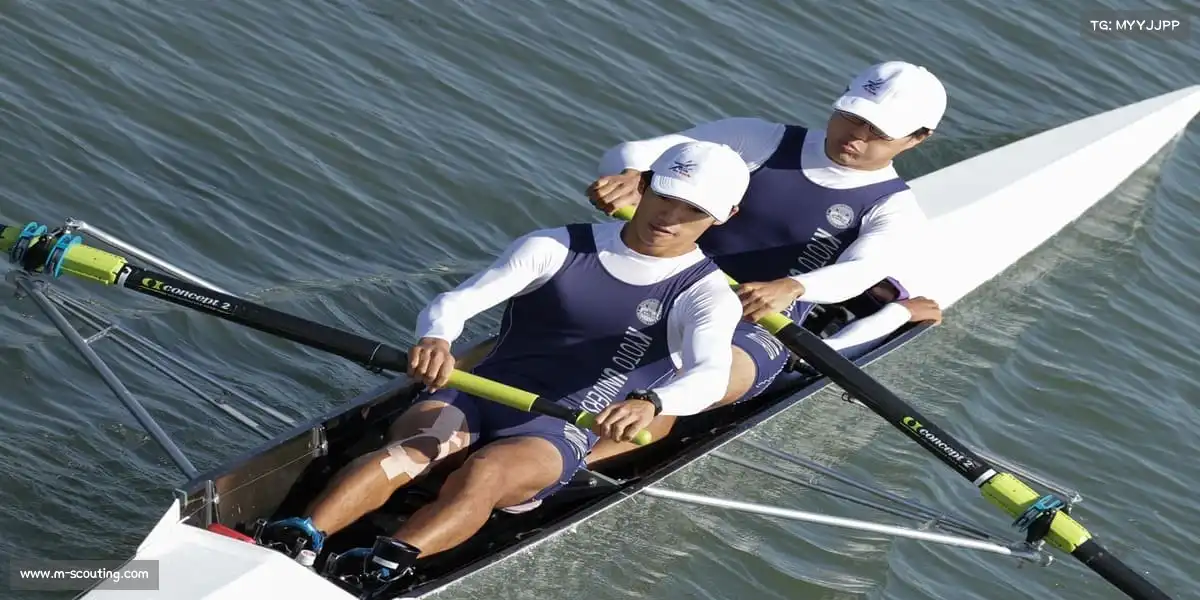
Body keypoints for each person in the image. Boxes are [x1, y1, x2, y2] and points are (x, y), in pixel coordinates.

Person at [255, 141, 752, 593]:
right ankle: (300, 535)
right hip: (475, 393)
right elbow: (457, 302)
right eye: (665, 196)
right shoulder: (556, 245)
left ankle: (380, 567)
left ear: (725, 215)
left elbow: (709, 374)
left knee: (485, 475)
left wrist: (652, 402)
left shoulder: (705, 293)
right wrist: (437, 339)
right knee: (416, 447)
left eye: (694, 210)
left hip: (561, 427)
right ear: (642, 184)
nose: (670, 217)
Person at [583, 61, 947, 463]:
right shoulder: (756, 140)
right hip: (670, 281)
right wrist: (633, 176)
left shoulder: (895, 209)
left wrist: (795, 286)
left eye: (879, 131)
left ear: (918, 138)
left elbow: (860, 271)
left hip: (761, 324)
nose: (856, 135)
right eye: (852, 116)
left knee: (680, 381)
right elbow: (633, 152)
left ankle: (562, 476)